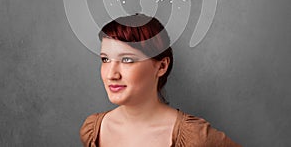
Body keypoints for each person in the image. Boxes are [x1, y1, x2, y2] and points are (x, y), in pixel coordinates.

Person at [80, 13, 241, 147]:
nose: (111, 75)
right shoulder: (93, 130)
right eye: (105, 59)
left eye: (127, 60)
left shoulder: (195, 137)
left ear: (161, 66)